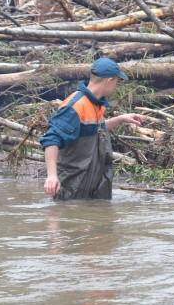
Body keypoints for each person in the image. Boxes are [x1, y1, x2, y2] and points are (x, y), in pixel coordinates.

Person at [40, 57, 143, 200]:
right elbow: (51, 139)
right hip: (73, 184)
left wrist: (121, 119)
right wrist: (51, 176)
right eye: (117, 82)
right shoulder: (75, 106)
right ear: (109, 81)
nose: (116, 86)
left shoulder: (95, 103)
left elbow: (94, 129)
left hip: (92, 180)